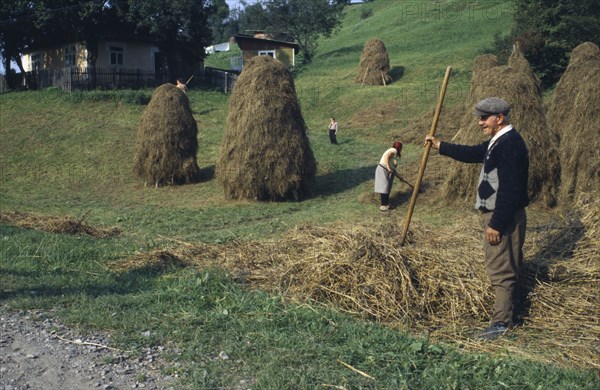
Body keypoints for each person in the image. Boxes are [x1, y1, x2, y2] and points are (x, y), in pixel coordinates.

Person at [425, 97, 529, 341]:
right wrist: (441, 145)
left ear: (499, 118)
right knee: (506, 263)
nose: (480, 122)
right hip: (497, 215)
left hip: (501, 217)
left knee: (501, 268)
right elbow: (474, 153)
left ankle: (501, 324)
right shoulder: (498, 141)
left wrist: (496, 224)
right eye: (480, 117)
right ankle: (512, 310)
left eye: (484, 118)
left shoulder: (510, 144)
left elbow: (511, 190)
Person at [374, 141, 403, 211]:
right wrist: (387, 167)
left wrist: (400, 177)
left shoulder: (394, 154)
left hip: (386, 169)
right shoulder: (393, 150)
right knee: (384, 187)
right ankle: (383, 206)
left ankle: (386, 204)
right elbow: (386, 157)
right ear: (399, 148)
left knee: (386, 188)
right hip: (383, 168)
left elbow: (393, 169)